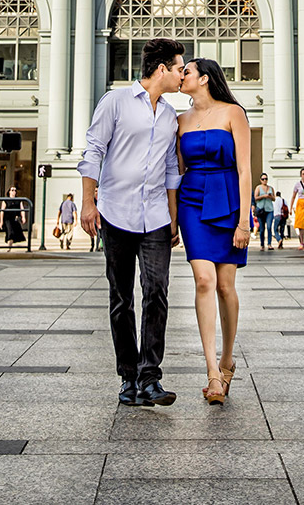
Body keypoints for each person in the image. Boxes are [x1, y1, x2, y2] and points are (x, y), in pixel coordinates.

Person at [79, 37, 186, 409]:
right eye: (178, 68)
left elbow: (172, 168)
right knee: (121, 298)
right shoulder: (116, 101)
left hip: (155, 216)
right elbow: (93, 150)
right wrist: (88, 202)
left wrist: (173, 217)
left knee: (156, 293)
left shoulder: (171, 115)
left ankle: (150, 376)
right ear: (162, 70)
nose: (181, 75)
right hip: (115, 213)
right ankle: (128, 377)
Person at [176, 57, 251, 405]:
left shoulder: (234, 113)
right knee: (204, 280)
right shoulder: (179, 121)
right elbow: (174, 172)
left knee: (225, 285)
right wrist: (173, 218)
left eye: (186, 71)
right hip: (192, 201)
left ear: (204, 78)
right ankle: (211, 372)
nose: (181, 76)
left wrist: (244, 220)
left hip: (229, 200)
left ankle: (227, 359)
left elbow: (246, 170)